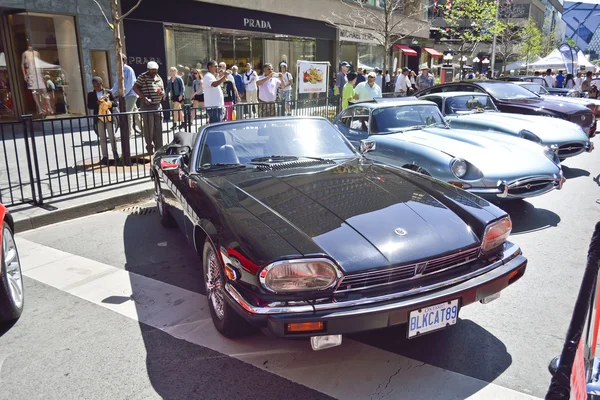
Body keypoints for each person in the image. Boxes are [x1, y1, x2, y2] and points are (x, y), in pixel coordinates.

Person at [133, 61, 164, 155]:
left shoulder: (158, 77)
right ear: (148, 70)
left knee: (158, 128)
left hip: (157, 105)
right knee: (149, 129)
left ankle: (159, 149)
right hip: (147, 106)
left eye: (155, 70)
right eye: (152, 71)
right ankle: (150, 148)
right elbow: (135, 88)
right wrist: (143, 97)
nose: (154, 72)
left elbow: (162, 89)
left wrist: (162, 93)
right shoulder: (142, 77)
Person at [87, 76, 118, 165]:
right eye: (94, 86)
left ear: (102, 84)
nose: (96, 88)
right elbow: (89, 106)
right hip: (99, 118)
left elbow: (115, 103)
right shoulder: (91, 94)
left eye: (98, 86)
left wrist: (109, 103)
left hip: (108, 116)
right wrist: (97, 103)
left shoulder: (108, 92)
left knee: (112, 136)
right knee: (102, 137)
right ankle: (105, 156)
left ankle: (115, 153)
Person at [111, 54, 141, 137]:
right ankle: (144, 129)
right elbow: (117, 84)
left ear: (123, 60)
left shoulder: (128, 70)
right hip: (125, 94)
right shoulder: (119, 71)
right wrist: (110, 92)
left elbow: (130, 84)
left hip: (131, 94)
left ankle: (129, 132)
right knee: (135, 113)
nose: (116, 62)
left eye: (118, 60)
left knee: (128, 112)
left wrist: (123, 94)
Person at [165, 66, 185, 131]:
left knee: (175, 109)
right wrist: (165, 94)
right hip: (174, 96)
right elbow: (168, 88)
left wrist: (181, 94)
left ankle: (175, 124)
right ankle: (183, 123)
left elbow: (182, 87)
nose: (172, 72)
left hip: (179, 96)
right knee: (179, 110)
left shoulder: (179, 78)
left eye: (173, 71)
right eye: (171, 71)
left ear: (176, 72)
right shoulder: (170, 80)